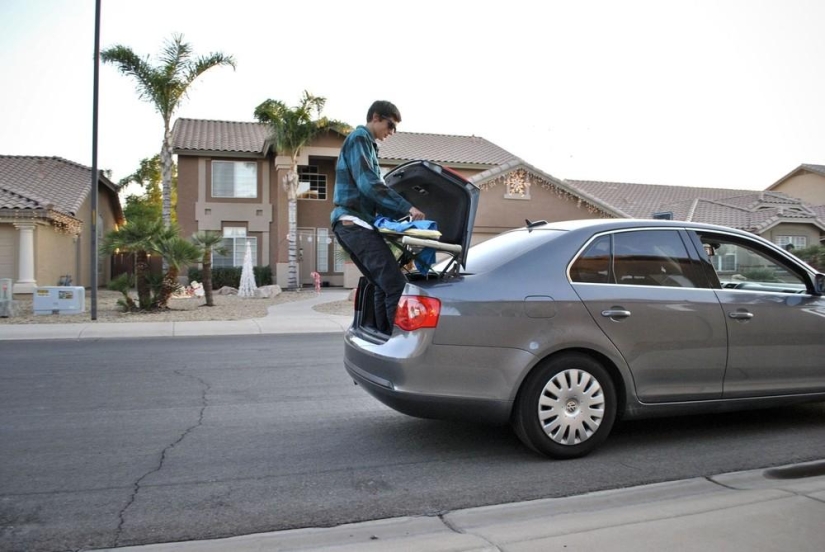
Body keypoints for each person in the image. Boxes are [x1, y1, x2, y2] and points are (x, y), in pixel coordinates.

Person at [331, 100, 425, 334]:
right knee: (396, 286)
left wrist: (402, 218)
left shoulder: (368, 145)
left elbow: (372, 193)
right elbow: (370, 185)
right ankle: (397, 341)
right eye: (390, 125)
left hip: (354, 223)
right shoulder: (360, 138)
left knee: (382, 285)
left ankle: (381, 336)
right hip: (354, 222)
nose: (391, 132)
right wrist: (407, 208)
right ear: (376, 117)